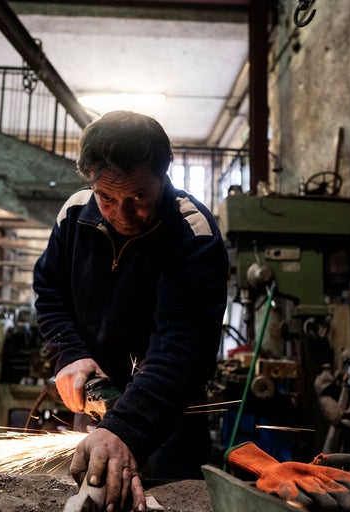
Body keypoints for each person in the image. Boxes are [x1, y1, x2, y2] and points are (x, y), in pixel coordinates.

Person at [33, 110, 229, 512]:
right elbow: (49, 291)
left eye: (138, 197)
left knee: (171, 502)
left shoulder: (193, 234)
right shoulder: (74, 215)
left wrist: (125, 429)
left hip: (166, 413)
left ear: (163, 174)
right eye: (107, 198)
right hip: (94, 403)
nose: (122, 214)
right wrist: (70, 353)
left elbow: (181, 349)